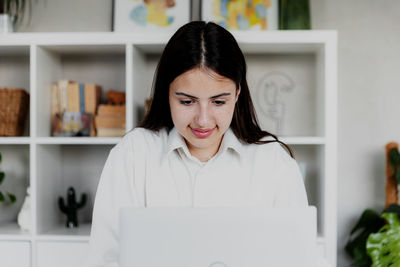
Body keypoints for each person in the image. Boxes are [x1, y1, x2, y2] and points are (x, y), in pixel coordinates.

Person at [84, 21, 308, 267]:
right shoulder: (134, 155)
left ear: (237, 94)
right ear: (166, 94)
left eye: (218, 102)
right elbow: (105, 258)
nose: (203, 120)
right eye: (187, 102)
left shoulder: (273, 162)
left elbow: (295, 258)